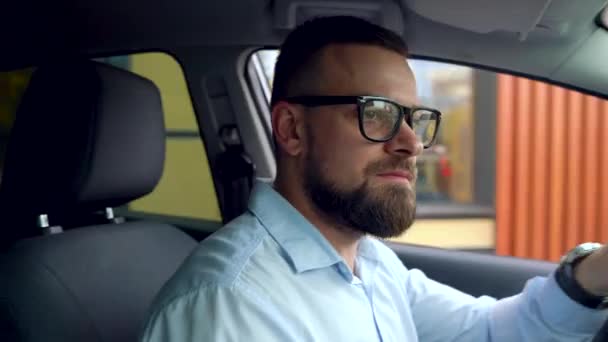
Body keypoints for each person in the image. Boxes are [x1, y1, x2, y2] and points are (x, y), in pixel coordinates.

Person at [141, 16, 608, 341]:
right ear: (292, 130)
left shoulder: (371, 263)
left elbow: (488, 332)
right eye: (377, 113)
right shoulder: (228, 306)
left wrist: (595, 274)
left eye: (414, 117)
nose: (412, 143)